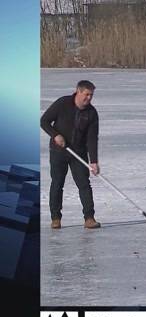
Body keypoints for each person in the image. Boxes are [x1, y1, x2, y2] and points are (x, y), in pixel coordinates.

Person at [40, 80, 101, 229]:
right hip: (59, 151)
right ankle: (56, 218)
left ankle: (89, 218)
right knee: (57, 184)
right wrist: (55, 135)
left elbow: (92, 138)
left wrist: (93, 161)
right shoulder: (63, 103)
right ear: (78, 92)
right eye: (86, 94)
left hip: (78, 153)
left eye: (91, 95)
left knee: (84, 185)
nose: (89, 98)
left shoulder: (91, 113)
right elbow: (44, 121)